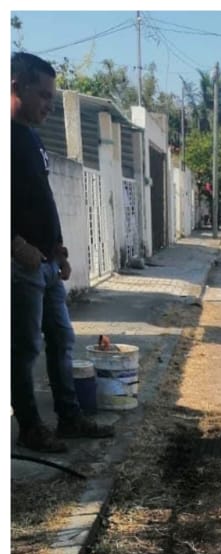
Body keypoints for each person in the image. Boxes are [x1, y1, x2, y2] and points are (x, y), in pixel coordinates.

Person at [11, 51, 113, 453]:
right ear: (15, 85)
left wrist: (58, 249)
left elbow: (40, 199)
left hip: (48, 263)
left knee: (62, 340)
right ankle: (31, 427)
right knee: (24, 348)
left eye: (54, 98)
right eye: (44, 96)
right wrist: (16, 246)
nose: (50, 106)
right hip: (22, 265)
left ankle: (69, 418)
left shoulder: (31, 139)